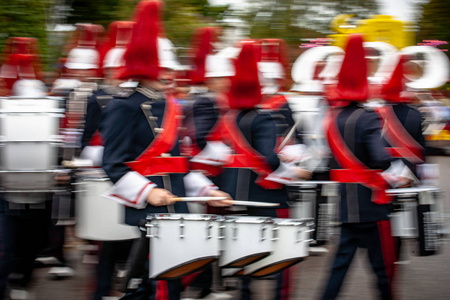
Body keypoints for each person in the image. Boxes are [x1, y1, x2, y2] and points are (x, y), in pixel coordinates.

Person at [100, 1, 230, 299]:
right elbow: (113, 163)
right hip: (150, 208)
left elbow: (178, 163)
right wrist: (148, 193)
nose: (170, 74)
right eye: (163, 68)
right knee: (162, 285)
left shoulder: (170, 106)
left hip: (176, 207)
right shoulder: (124, 106)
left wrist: (208, 190)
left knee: (170, 278)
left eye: (171, 68)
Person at [320, 34, 409, 300]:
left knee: (338, 269)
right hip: (372, 206)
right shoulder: (368, 117)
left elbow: (330, 162)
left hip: (347, 204)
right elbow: (380, 159)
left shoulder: (332, 118)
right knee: (383, 270)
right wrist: (398, 175)